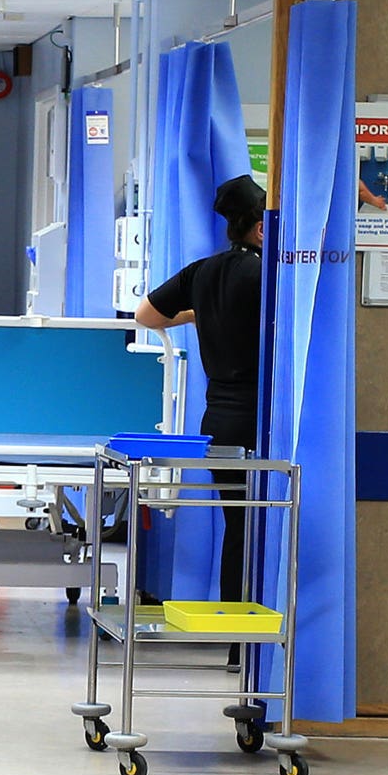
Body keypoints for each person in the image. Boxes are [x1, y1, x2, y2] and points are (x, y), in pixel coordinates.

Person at [134, 174, 267, 602]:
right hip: (259, 419)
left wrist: (196, 316)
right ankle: (253, 639)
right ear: (262, 227)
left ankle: (235, 638)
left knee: (237, 525)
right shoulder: (270, 276)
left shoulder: (202, 271)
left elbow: (146, 316)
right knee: (263, 527)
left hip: (219, 421)